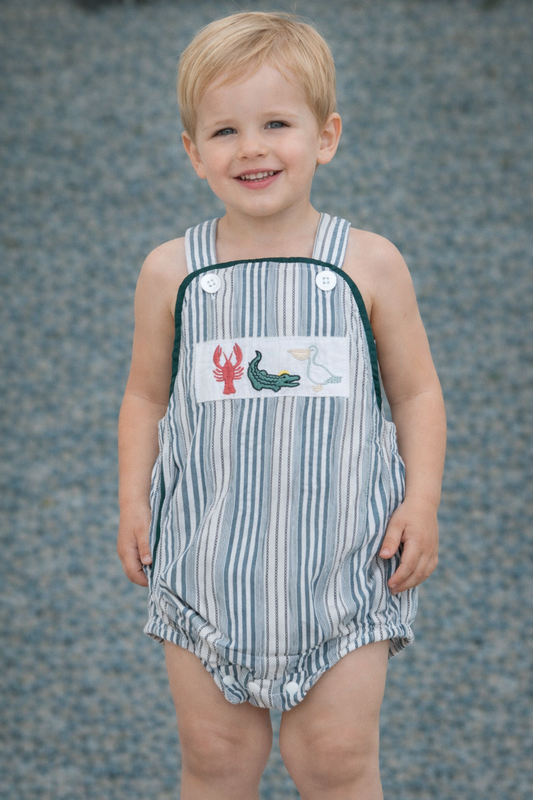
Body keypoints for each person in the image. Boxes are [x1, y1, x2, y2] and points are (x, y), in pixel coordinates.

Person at [117, 11, 446, 800]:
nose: (252, 147)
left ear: (325, 136)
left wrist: (423, 501)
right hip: (206, 567)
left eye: (276, 123)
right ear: (194, 154)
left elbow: (415, 390)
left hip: (341, 568)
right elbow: (144, 394)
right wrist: (131, 497)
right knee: (215, 761)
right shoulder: (173, 272)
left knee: (334, 762)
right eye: (224, 130)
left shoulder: (367, 263)